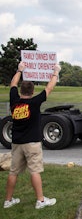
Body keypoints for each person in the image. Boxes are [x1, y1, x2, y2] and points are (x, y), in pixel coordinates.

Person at [4, 61, 61, 209]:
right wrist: (55, 72)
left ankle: (8, 200)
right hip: (32, 143)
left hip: (16, 142)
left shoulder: (14, 100)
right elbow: (50, 87)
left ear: (21, 90)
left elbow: (12, 84)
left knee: (13, 172)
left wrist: (19, 70)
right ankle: (40, 200)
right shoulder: (35, 102)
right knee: (35, 171)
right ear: (32, 91)